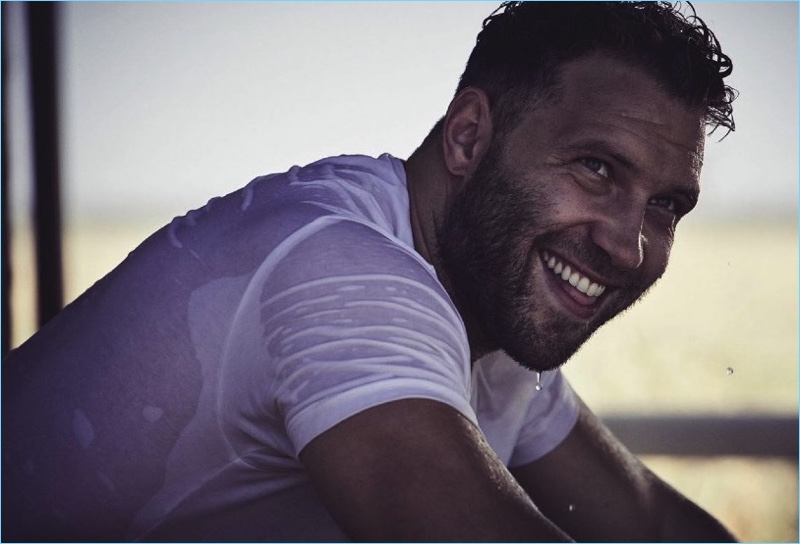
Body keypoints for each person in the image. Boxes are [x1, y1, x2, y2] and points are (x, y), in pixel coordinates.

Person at [3, 2, 739, 541]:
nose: (629, 246)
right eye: (596, 167)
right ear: (468, 136)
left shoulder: (491, 307)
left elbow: (655, 527)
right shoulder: (345, 274)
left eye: (666, 206)